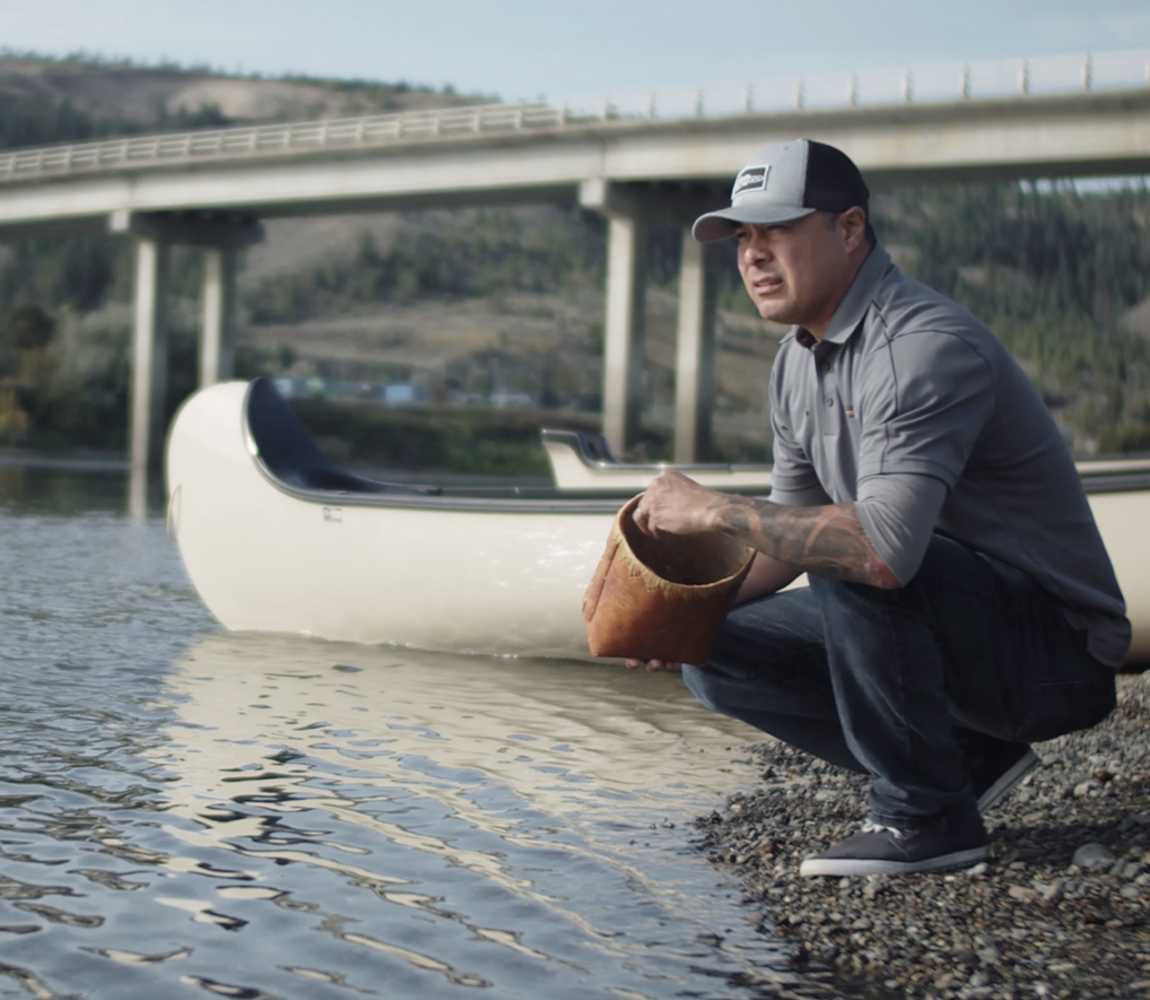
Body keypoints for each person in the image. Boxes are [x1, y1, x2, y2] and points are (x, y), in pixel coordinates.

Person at [626, 138, 1128, 877]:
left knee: (849, 552)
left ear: (851, 229)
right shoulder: (797, 360)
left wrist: (713, 510)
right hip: (954, 624)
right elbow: (784, 536)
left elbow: (882, 554)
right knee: (713, 649)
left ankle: (926, 819)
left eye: (777, 231)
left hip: (1054, 654)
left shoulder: (923, 346)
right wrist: (681, 610)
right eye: (743, 238)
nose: (753, 256)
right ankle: (964, 766)